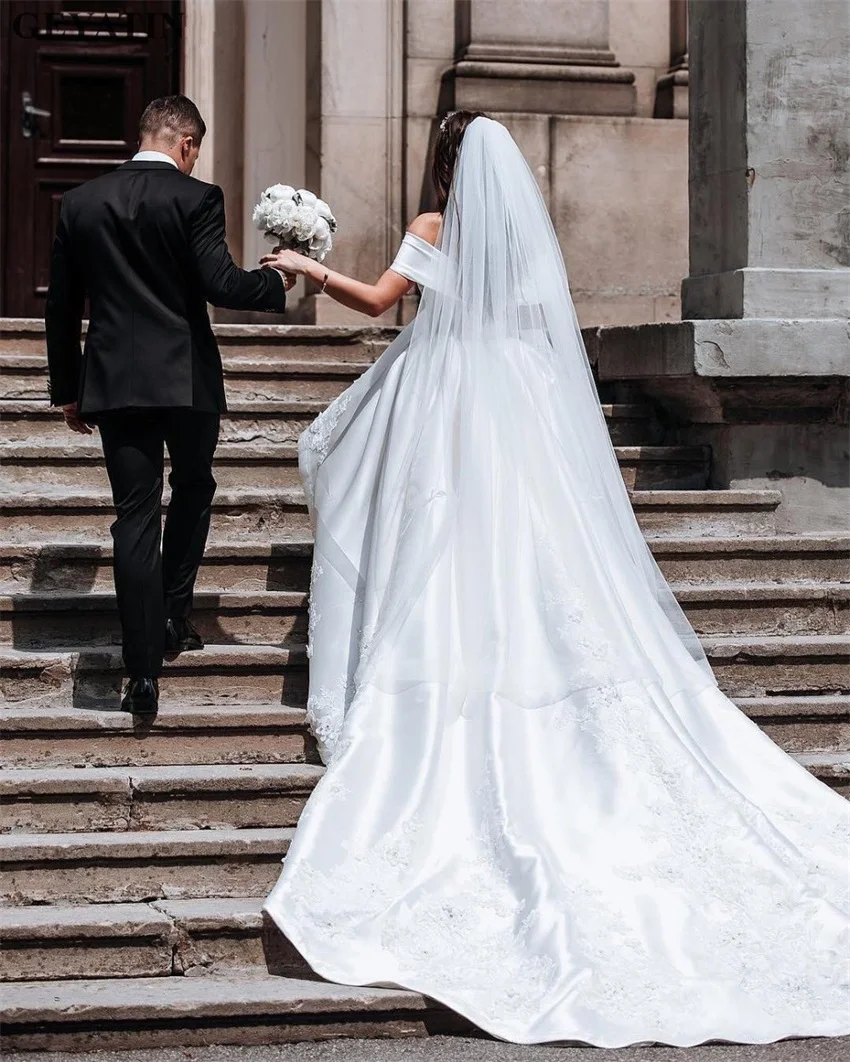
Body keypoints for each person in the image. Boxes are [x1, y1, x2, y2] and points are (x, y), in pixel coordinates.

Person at [260, 113, 849, 1046]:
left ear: (445, 166)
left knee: (429, 535)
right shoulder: (527, 248)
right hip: (516, 402)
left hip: (446, 396)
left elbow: (376, 305)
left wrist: (307, 269)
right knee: (528, 546)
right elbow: (543, 334)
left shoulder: (432, 228)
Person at [45, 94, 291, 715]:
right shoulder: (197, 198)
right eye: (195, 151)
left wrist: (69, 389)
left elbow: (61, 306)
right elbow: (222, 284)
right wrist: (280, 279)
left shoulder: (80, 203)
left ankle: (141, 672)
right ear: (185, 144)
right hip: (186, 381)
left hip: (117, 382)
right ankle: (174, 616)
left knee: (133, 516)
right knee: (193, 488)